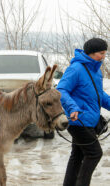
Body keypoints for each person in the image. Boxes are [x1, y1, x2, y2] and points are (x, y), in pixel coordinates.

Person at [57, 38, 110, 186]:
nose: (104, 56)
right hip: (78, 120)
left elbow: (99, 95)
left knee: (78, 155)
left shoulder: (96, 71)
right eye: (101, 53)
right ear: (91, 53)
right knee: (94, 153)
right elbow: (61, 90)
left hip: (90, 120)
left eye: (105, 53)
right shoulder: (76, 69)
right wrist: (73, 108)